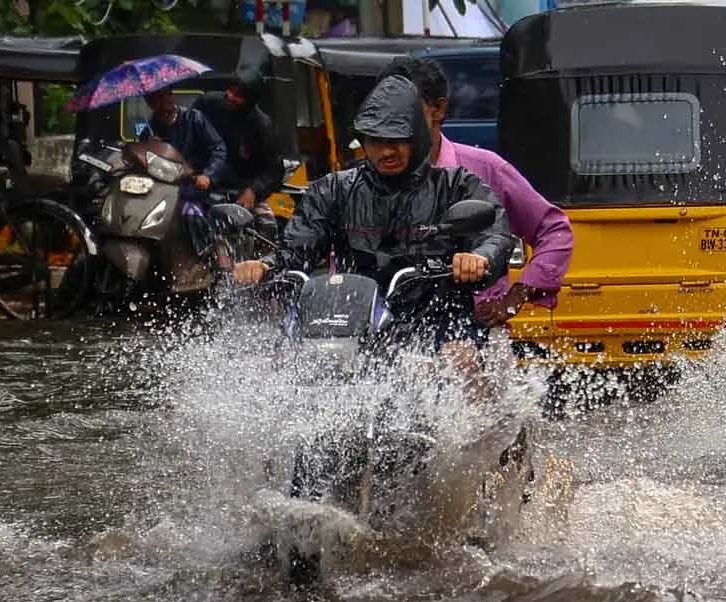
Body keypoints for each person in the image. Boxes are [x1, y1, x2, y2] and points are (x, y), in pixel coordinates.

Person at [232, 75, 516, 384]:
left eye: (396, 140)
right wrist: (265, 265)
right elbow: (298, 247)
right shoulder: (335, 189)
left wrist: (479, 258)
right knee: (278, 363)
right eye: (375, 141)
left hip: (435, 319)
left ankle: (466, 433)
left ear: (417, 137)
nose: (385, 152)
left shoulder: (456, 185)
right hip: (350, 319)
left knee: (460, 360)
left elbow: (495, 234)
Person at [376, 55, 573, 328]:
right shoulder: (362, 180)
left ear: (438, 109)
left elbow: (554, 230)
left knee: (462, 359)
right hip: (387, 333)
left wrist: (517, 295)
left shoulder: (486, 169)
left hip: (474, 334)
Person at [138, 87, 228, 266]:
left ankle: (209, 260)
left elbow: (218, 149)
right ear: (151, 103)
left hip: (193, 187)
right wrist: (149, 146)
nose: (168, 98)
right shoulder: (149, 130)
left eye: (169, 93)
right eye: (160, 96)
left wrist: (207, 175)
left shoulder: (194, 119)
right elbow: (140, 159)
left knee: (191, 215)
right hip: (162, 190)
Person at [193, 67, 284, 241]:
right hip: (202, 181)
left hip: (239, 189)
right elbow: (185, 127)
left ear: (251, 99)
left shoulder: (262, 126)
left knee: (268, 226)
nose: (230, 97)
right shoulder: (208, 104)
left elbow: (274, 169)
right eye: (230, 90)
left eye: (238, 95)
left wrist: (253, 190)